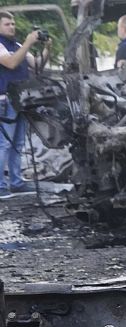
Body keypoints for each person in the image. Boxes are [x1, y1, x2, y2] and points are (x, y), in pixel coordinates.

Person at [0, 11, 49, 200]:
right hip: (5, 101)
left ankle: (16, 182)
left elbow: (37, 65)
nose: (12, 27)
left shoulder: (17, 45)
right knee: (3, 144)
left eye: (13, 24)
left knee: (18, 143)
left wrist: (46, 49)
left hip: (21, 99)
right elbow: (11, 63)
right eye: (7, 24)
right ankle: (0, 186)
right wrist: (29, 42)